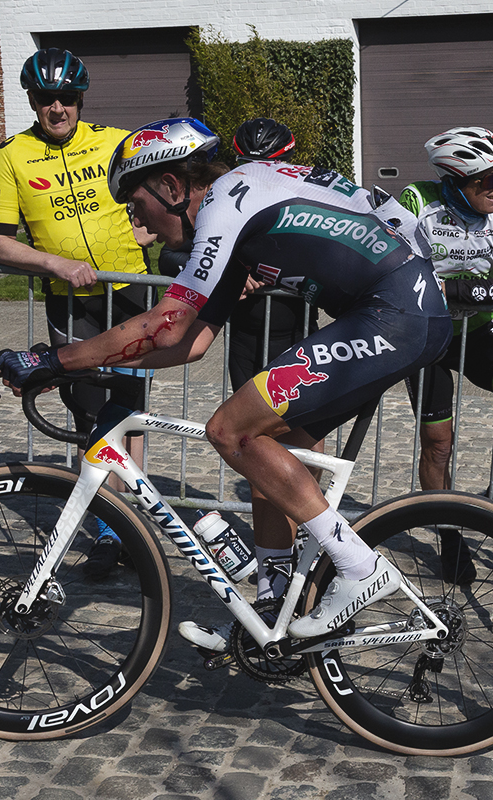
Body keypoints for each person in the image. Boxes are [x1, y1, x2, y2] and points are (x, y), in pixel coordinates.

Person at [0, 117, 451, 641]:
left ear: (172, 186)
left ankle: (360, 569)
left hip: (395, 315)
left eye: (138, 205)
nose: (141, 225)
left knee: (230, 429)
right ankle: (272, 616)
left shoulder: (226, 204)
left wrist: (54, 359)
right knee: (267, 459)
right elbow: (190, 343)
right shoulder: (238, 218)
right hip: (398, 313)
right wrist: (84, 364)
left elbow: (163, 326)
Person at [0, 47, 153, 580]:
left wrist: (156, 230)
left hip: (130, 292)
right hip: (71, 303)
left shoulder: (115, 142)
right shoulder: (12, 155)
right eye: (45, 99)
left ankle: (134, 520)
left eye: (66, 98)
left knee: (129, 411)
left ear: (80, 99)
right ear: (32, 101)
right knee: (88, 412)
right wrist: (54, 262)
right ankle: (107, 529)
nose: (57, 108)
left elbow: (161, 199)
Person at [175, 117, 321, 658]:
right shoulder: (231, 204)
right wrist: (238, 279)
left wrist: (274, 272)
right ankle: (271, 593)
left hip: (297, 344)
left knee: (306, 465)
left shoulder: (297, 194)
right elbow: (178, 255)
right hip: (249, 349)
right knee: (260, 471)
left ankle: (308, 593)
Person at [399, 126, 493, 584]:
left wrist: (451, 288)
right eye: (488, 178)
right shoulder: (417, 202)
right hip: (426, 334)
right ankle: (448, 536)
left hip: (474, 329)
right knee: (439, 443)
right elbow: (400, 276)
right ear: (456, 180)